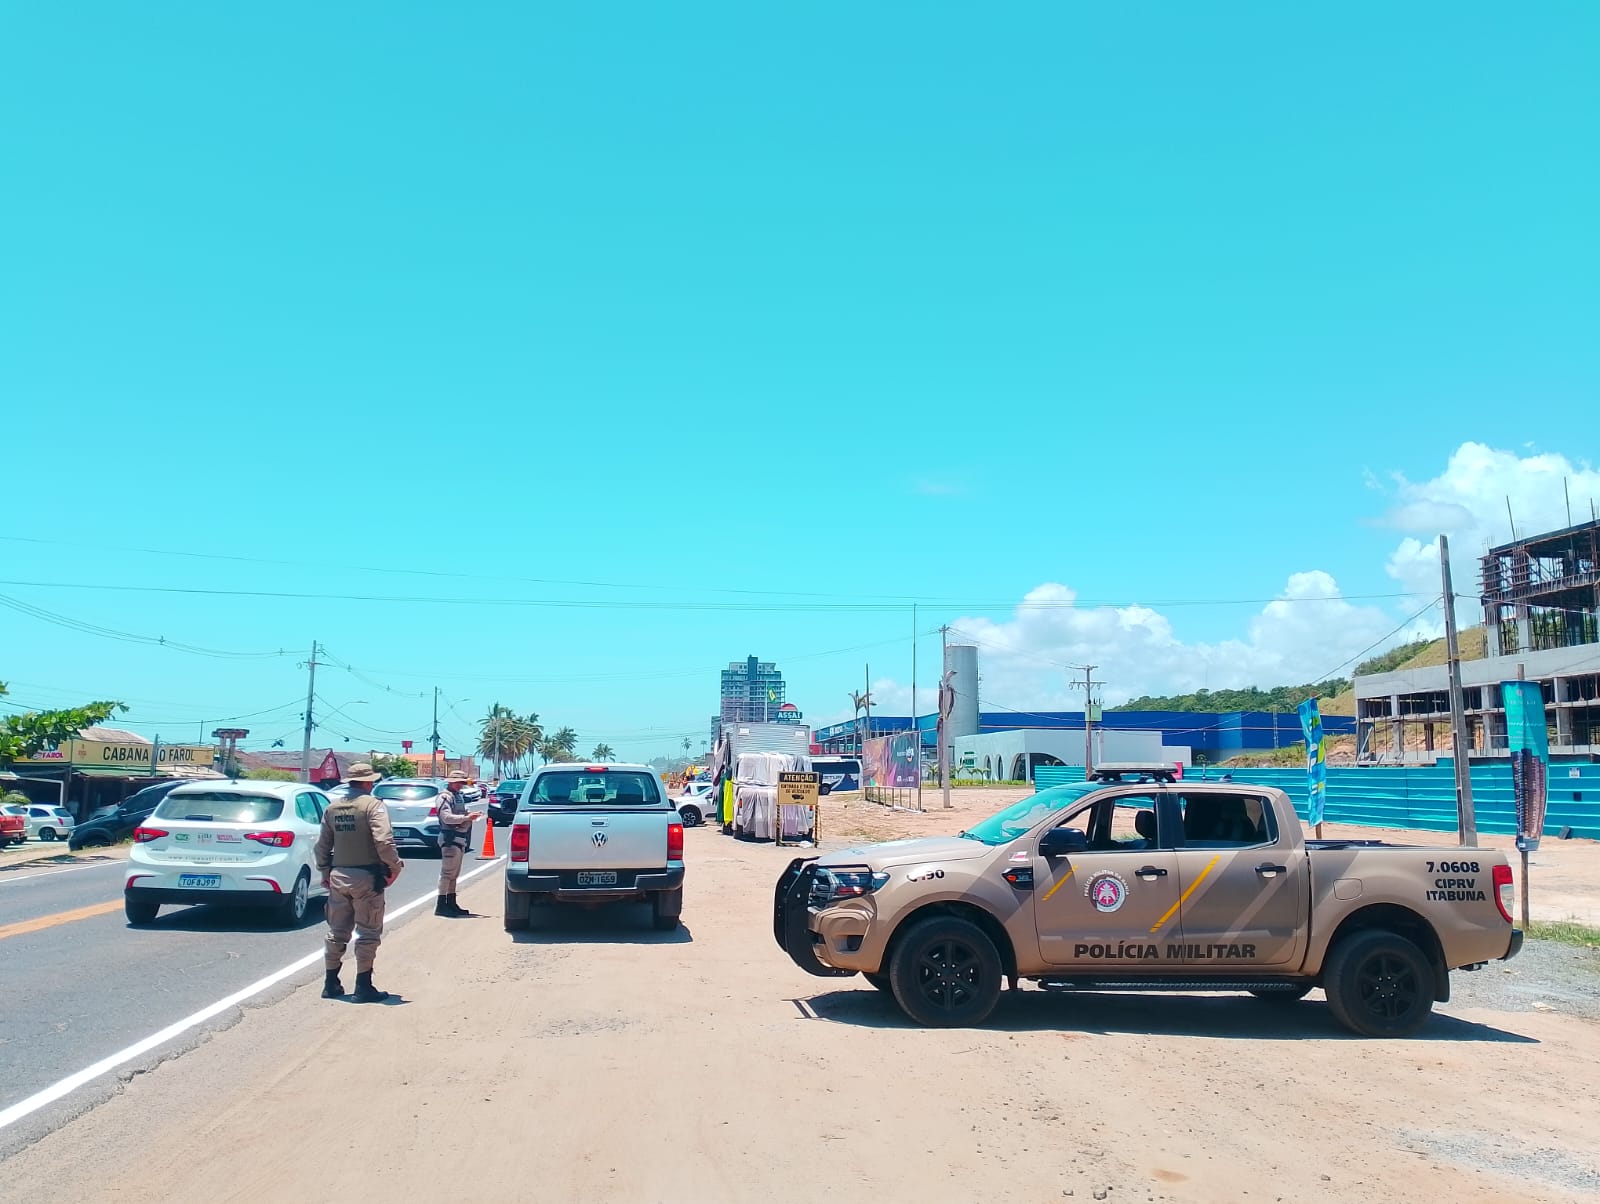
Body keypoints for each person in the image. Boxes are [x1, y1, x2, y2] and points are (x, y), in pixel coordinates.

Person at [314, 762, 403, 1002]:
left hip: (338, 876)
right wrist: (395, 866)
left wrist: (324, 871)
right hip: (366, 878)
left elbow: (322, 845)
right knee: (368, 932)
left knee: (337, 931)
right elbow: (383, 840)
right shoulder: (373, 806)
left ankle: (330, 983)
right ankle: (363, 986)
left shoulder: (333, 808)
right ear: (367, 782)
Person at [435, 769, 483, 917]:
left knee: (454, 874)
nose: (462, 785)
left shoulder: (457, 797)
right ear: (453, 782)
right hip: (451, 838)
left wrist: (468, 816)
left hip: (460, 837)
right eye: (460, 782)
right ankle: (442, 904)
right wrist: (466, 818)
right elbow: (447, 818)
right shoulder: (445, 797)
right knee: (447, 873)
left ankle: (451, 902)